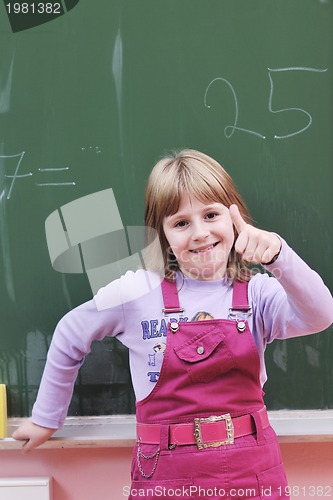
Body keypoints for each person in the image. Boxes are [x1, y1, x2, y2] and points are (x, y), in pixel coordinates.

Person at [13, 149, 333, 499]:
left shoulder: (259, 292)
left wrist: (278, 256)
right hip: (165, 475)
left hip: (253, 470)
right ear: (161, 234)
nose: (199, 233)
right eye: (181, 223)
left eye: (211, 215)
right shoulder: (136, 292)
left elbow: (321, 315)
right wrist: (46, 417)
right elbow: (70, 333)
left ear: (234, 218)